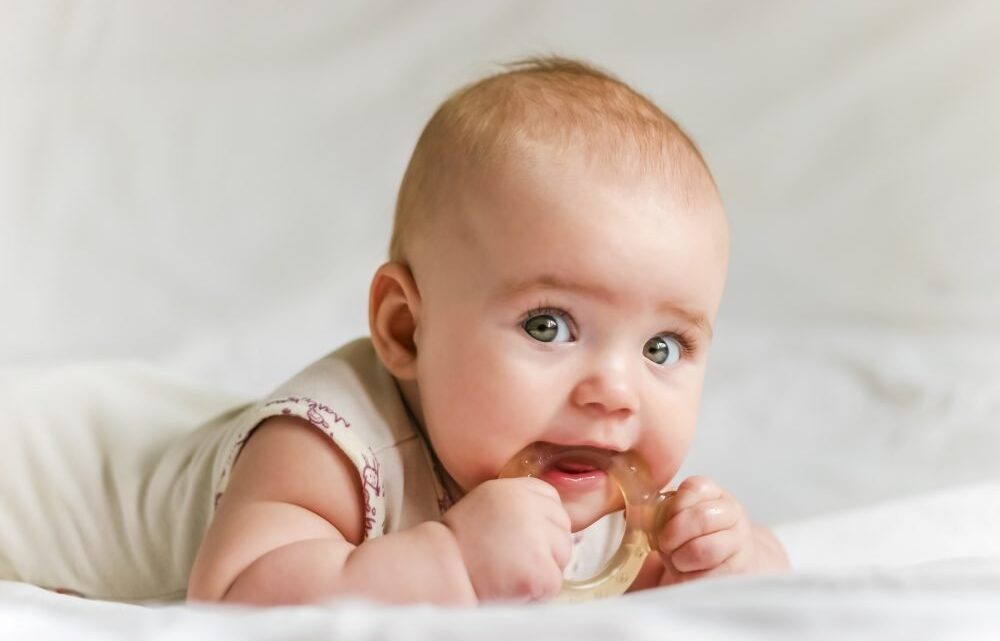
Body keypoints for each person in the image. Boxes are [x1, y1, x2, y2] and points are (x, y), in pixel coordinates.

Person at [0, 56, 788, 605]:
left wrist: (729, 559)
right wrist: (452, 558)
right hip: (38, 464)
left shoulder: (583, 474)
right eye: (549, 325)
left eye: (662, 347)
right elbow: (237, 596)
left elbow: (652, 588)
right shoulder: (328, 450)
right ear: (406, 329)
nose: (616, 392)